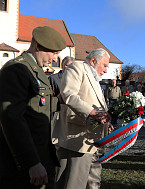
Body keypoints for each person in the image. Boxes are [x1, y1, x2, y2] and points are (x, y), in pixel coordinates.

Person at [0, 26, 66, 188]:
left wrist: (61, 102)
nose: (56, 59)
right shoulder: (16, 69)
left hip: (40, 156)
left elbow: (37, 105)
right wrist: (31, 163)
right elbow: (12, 118)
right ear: (38, 47)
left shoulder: (35, 70)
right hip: (18, 165)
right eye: (54, 53)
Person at [52, 48, 113, 189]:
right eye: (104, 65)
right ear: (93, 60)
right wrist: (93, 113)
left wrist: (105, 120)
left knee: (93, 183)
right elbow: (69, 95)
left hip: (92, 140)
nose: (106, 70)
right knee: (73, 183)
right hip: (76, 139)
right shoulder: (77, 67)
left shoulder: (95, 78)